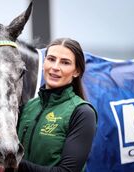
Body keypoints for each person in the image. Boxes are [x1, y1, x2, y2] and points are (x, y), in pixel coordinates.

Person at [16, 38, 97, 172]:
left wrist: (14, 165)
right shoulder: (27, 107)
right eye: (51, 59)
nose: (55, 67)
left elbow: (67, 171)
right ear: (43, 63)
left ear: (76, 71)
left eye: (65, 62)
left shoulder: (83, 113)